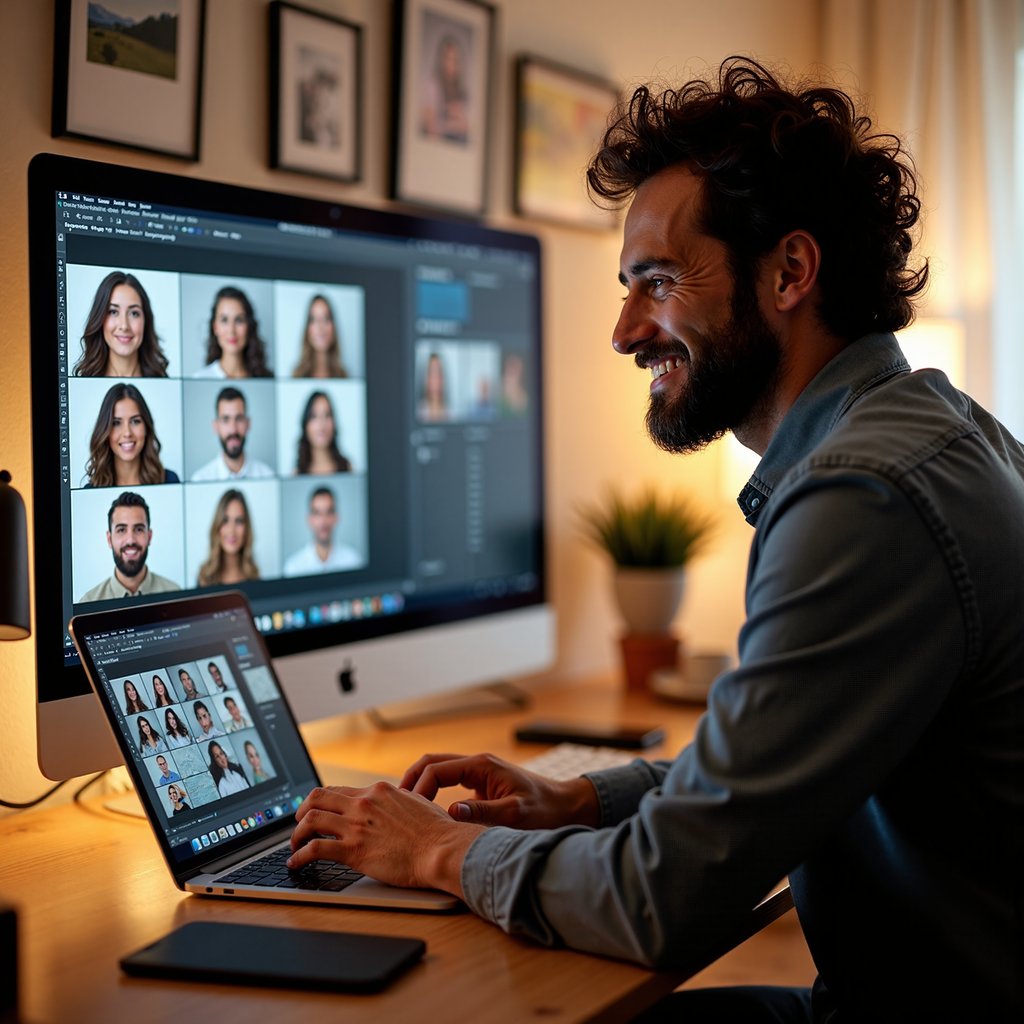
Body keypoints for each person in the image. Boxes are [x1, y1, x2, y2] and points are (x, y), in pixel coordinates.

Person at [286, 58, 1024, 1021]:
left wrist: (436, 848)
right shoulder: (943, 429)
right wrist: (581, 800)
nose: (626, 331)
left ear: (790, 272)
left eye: (659, 281)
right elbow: (789, 760)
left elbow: (660, 896)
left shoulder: (862, 496)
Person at [77, 491, 180, 602]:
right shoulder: (88, 603)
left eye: (139, 529)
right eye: (121, 530)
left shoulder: (175, 594)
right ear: (109, 539)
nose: (130, 540)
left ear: (149, 537)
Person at [72, 270, 169, 378]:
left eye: (134, 313)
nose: (124, 326)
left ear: (146, 321)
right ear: (100, 318)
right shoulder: (85, 380)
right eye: (113, 312)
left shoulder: (161, 379)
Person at [83, 383, 179, 488]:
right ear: (105, 430)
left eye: (135, 421)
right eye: (116, 423)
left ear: (146, 426)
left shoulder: (170, 481)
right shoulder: (91, 489)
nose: (127, 433)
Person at [190, 387, 275, 482]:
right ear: (216, 426)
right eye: (226, 419)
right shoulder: (200, 479)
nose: (233, 429)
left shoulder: (268, 475)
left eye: (239, 419)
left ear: (248, 424)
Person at [194, 286, 273, 379]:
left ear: (249, 326)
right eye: (224, 320)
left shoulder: (266, 377)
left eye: (239, 320)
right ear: (215, 327)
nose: (231, 331)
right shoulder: (201, 377)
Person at [283, 486, 362, 575]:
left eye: (329, 512)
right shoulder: (293, 568)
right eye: (317, 513)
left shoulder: (353, 561)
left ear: (336, 517)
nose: (323, 521)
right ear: (309, 520)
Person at [196, 488, 261, 586]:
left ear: (247, 528)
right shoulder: (204, 579)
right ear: (217, 526)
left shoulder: (255, 577)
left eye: (239, 521)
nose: (232, 530)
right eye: (225, 520)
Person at [420, 33, 469, 144]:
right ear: (441, 60)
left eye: (455, 60)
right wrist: (454, 124)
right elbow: (431, 127)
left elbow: (468, 126)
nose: (451, 65)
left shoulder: (461, 91)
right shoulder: (432, 85)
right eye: (448, 59)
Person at [295, 391, 352, 475]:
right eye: (314, 416)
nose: (322, 425)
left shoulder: (348, 468)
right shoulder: (297, 473)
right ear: (305, 424)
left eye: (327, 415)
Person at [292, 294, 348, 379]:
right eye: (314, 319)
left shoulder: (344, 376)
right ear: (307, 328)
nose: (320, 327)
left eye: (326, 318)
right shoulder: (296, 376)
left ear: (333, 326)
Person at [417, 351, 449, 422]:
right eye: (431, 372)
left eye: (438, 372)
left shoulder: (450, 415)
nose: (435, 378)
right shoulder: (418, 413)